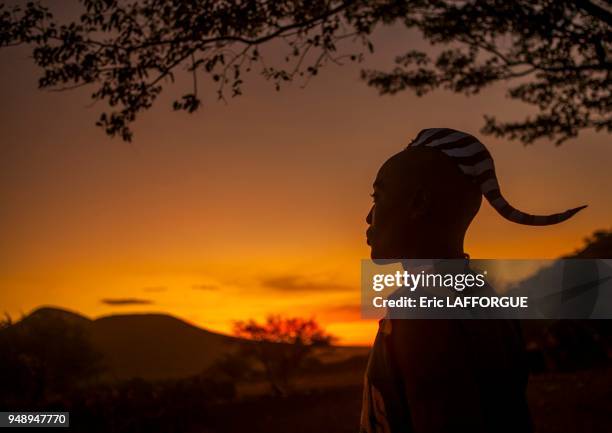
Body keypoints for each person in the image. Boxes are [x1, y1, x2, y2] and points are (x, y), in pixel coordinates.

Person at [360, 128, 586, 433]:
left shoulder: (424, 308)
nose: (369, 216)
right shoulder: (487, 299)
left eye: (378, 197)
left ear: (418, 204)